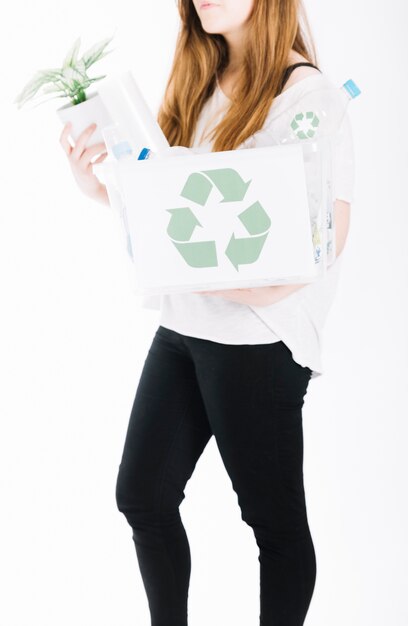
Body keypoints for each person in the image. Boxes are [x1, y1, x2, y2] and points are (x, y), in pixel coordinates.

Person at [59, 1, 355, 624]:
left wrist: (237, 281)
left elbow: (323, 239)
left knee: (273, 526)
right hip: (185, 326)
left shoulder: (309, 98)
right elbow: (173, 216)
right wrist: (101, 189)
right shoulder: (199, 77)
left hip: (257, 341)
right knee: (141, 495)